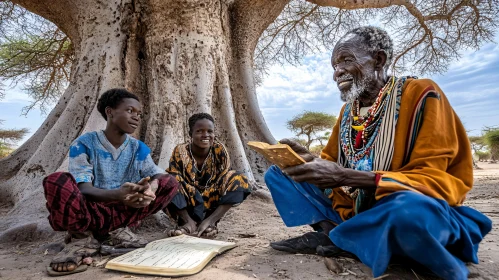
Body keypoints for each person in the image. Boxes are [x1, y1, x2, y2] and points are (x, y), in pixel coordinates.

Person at [264, 26, 492, 280]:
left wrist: (347, 177)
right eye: (334, 66)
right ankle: (334, 233)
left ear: (379, 60)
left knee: (408, 211)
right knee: (280, 174)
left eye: (345, 61)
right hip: (356, 209)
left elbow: (433, 180)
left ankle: (356, 240)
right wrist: (308, 160)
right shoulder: (348, 113)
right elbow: (331, 164)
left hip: (404, 205)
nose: (337, 72)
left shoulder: (421, 94)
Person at [42, 88, 179, 276]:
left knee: (170, 181)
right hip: (90, 211)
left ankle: (116, 233)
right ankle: (81, 239)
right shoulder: (84, 143)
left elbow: (157, 174)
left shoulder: (138, 147)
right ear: (110, 112)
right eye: (130, 111)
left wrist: (151, 189)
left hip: (122, 213)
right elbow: (83, 188)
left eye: (138, 113)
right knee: (56, 181)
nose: (136, 117)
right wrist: (119, 194)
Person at [166, 113, 251, 238]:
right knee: (168, 180)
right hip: (188, 201)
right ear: (191, 134)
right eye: (199, 131)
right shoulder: (180, 151)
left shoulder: (219, 150)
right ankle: (187, 222)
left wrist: (210, 218)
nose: (205, 135)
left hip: (211, 200)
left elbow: (224, 179)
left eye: (209, 131)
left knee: (239, 178)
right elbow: (175, 177)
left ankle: (211, 222)